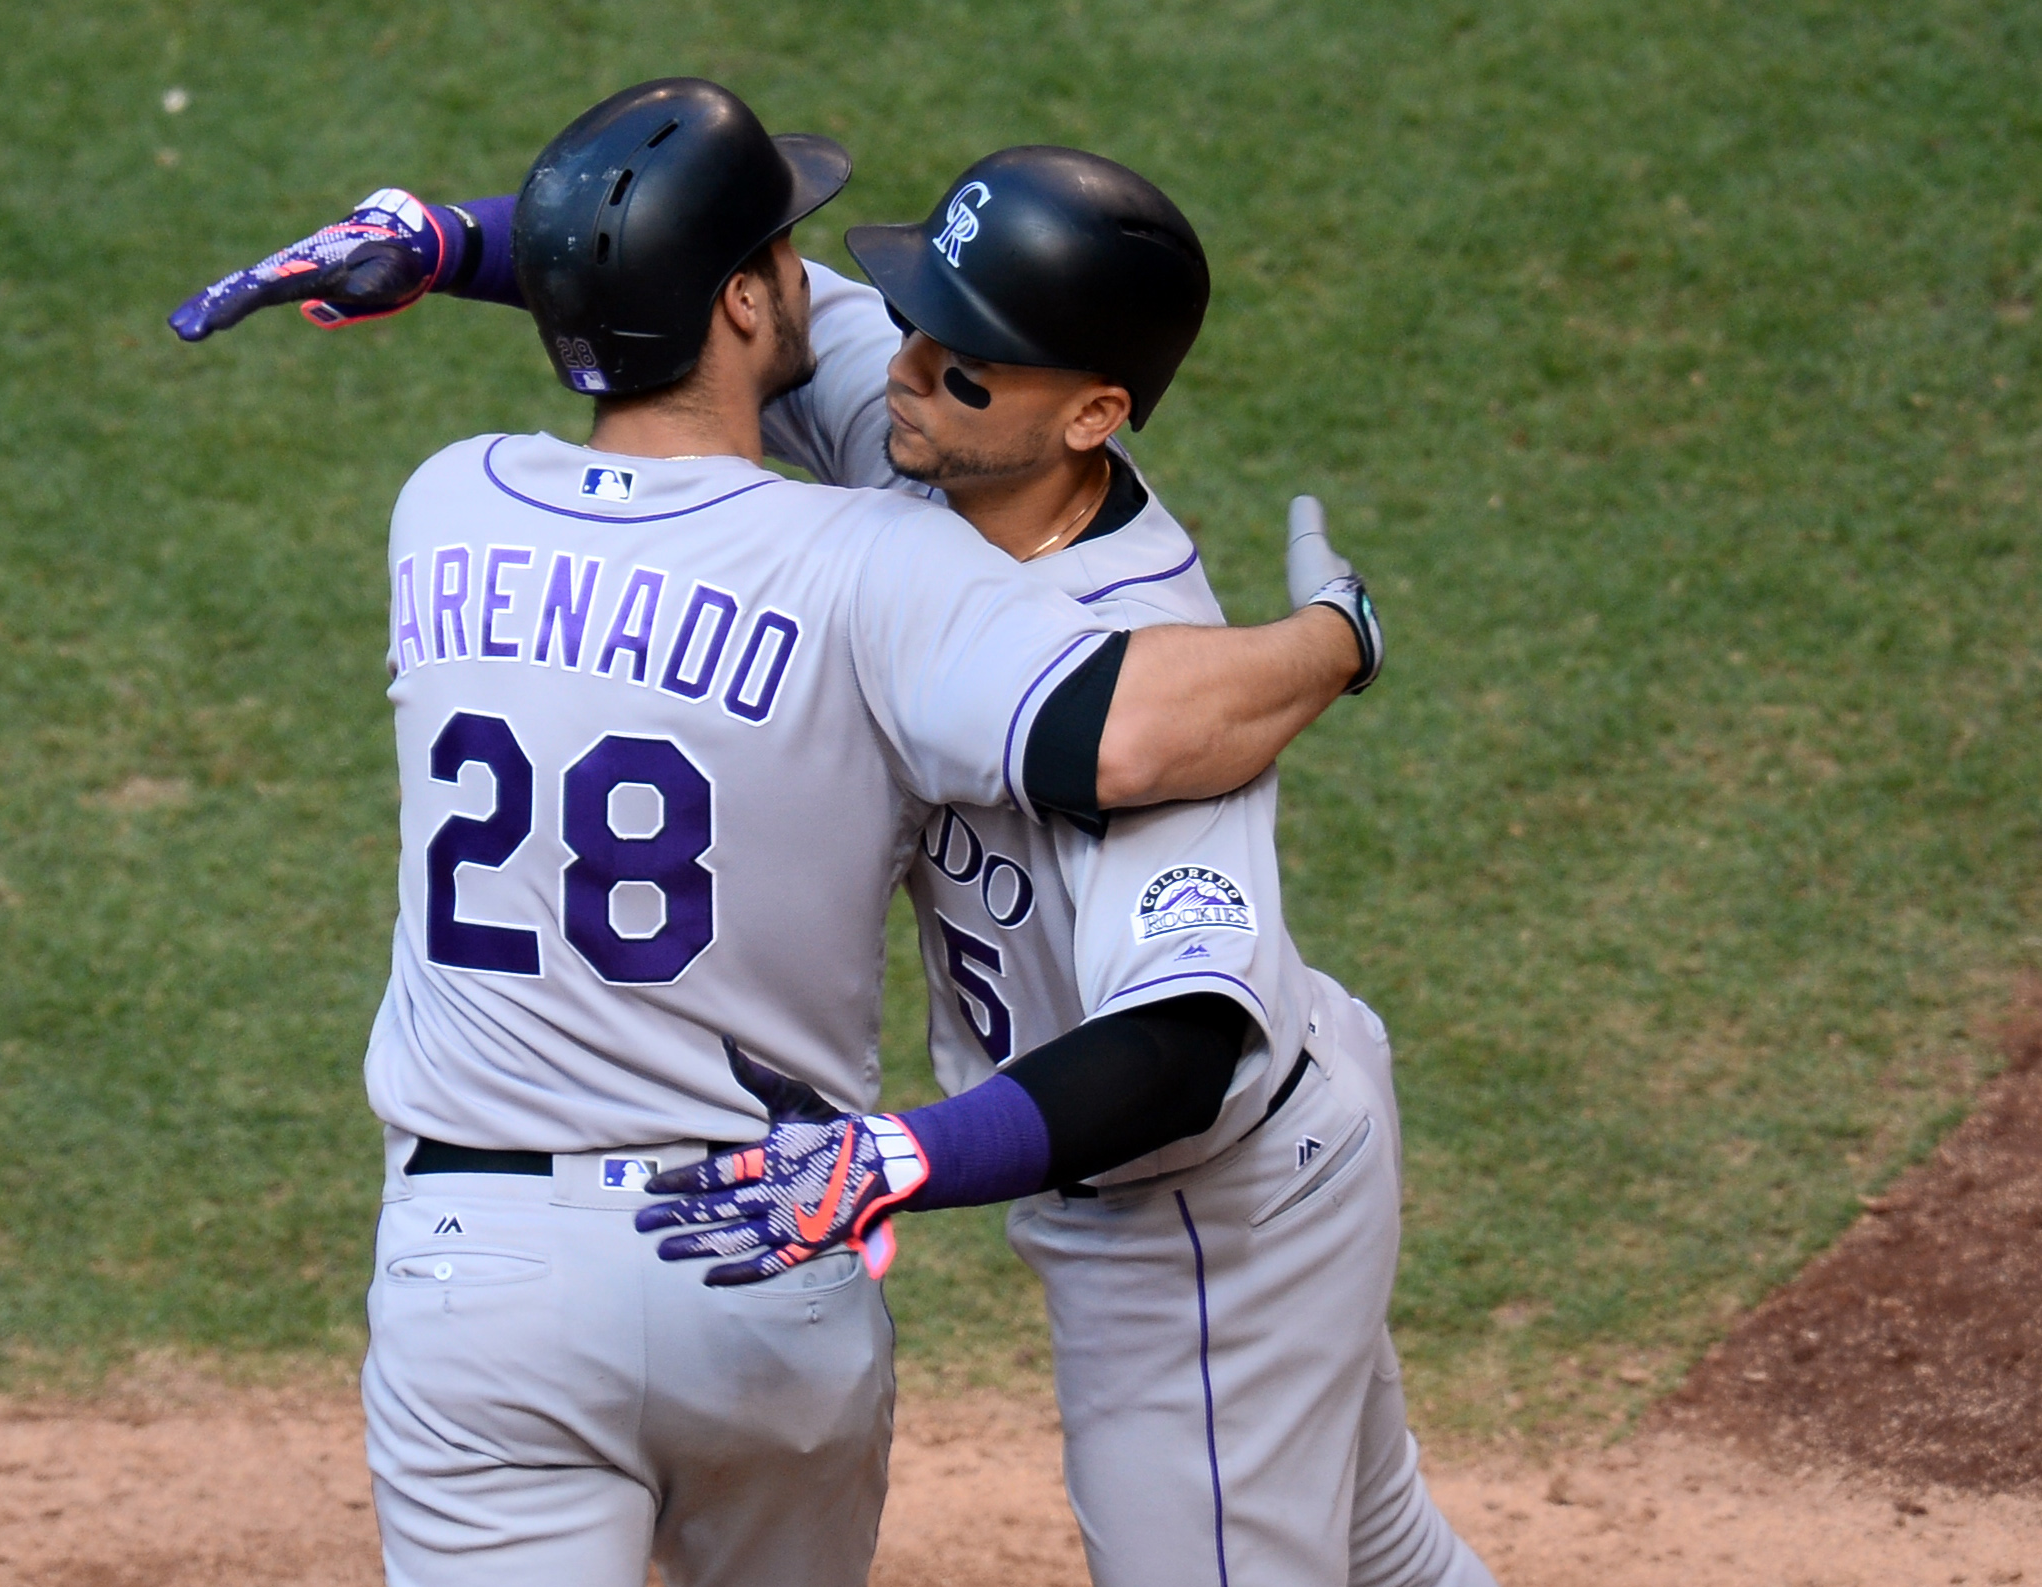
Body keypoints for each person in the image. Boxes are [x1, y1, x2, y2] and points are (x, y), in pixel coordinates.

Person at [173, 80, 1367, 1587]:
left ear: (1087, 406)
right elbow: (1126, 730)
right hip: (767, 1251)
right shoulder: (883, 553)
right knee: (1380, 1546)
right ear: (746, 303)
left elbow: (1191, 1030)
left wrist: (433, 239)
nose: (893, 352)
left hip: (490, 1275)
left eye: (959, 354)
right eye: (800, 263)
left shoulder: (446, 505)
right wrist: (1336, 641)